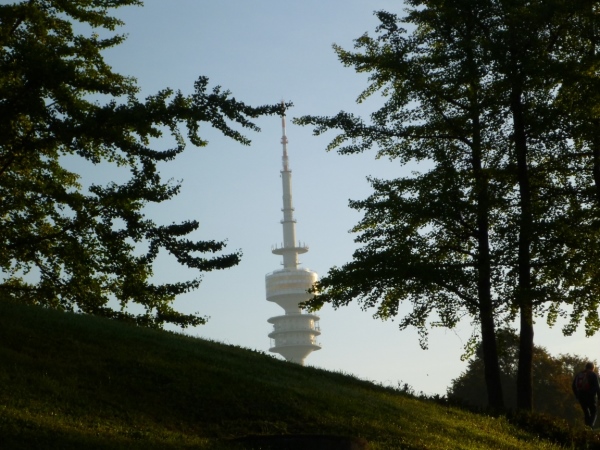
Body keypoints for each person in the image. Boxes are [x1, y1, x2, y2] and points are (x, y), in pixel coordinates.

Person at [572, 362, 600, 429]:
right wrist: (599, 398)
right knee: (594, 412)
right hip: (590, 397)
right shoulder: (593, 374)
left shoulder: (579, 374)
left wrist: (577, 395)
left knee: (586, 413)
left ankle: (586, 428)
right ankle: (590, 427)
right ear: (592, 368)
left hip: (581, 396)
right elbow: (597, 387)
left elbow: (573, 386)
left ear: (586, 367)